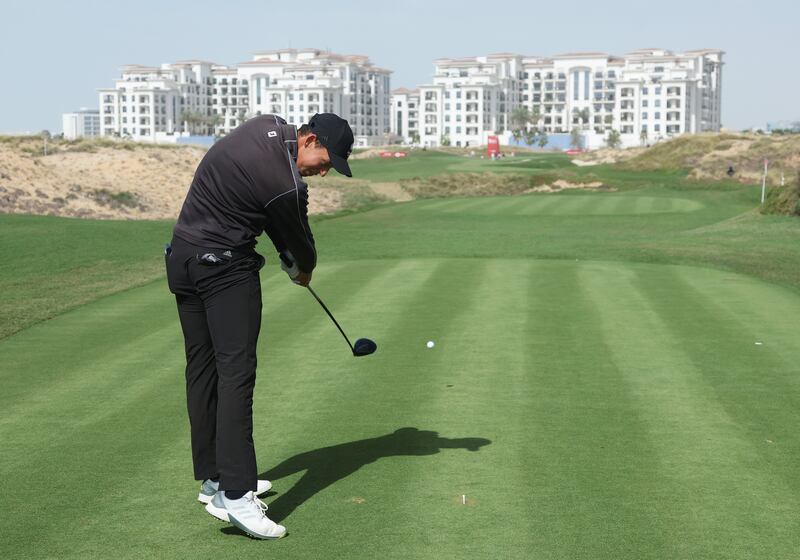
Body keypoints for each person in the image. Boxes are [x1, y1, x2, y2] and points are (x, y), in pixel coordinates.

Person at [165, 113, 354, 539]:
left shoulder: (265, 126)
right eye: (325, 161)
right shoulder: (285, 183)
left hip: (182, 258)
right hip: (224, 270)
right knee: (236, 376)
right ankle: (236, 494)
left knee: (204, 369)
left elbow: (271, 212)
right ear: (307, 139)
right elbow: (297, 239)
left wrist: (290, 243)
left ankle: (214, 478)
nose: (324, 171)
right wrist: (302, 269)